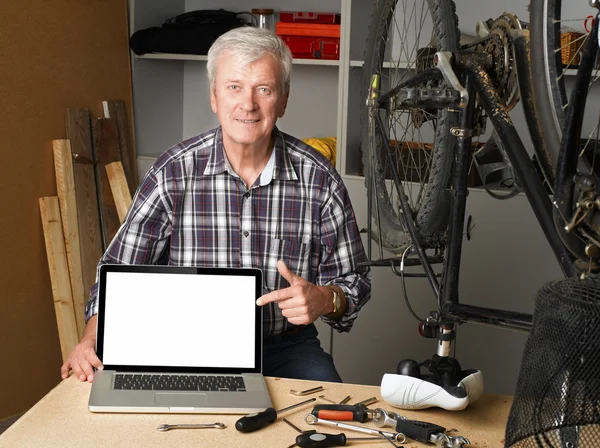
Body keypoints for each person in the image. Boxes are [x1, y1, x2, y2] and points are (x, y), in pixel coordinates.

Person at [60, 26, 371, 384]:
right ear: (214, 96)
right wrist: (89, 340)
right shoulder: (172, 173)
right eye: (234, 87)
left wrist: (324, 298)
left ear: (283, 99)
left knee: (326, 425)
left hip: (286, 348)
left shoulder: (319, 180)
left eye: (264, 89)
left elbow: (355, 280)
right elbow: (117, 273)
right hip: (182, 347)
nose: (248, 104)